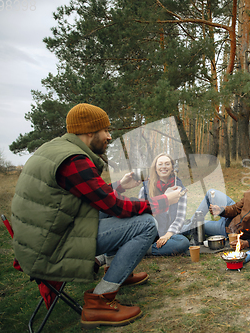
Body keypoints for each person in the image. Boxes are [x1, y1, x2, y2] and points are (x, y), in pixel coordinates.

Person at [11, 103, 182, 328]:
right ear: (90, 131)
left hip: (40, 241)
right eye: (106, 131)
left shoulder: (57, 150)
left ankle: (118, 269)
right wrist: (162, 202)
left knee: (103, 210)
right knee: (147, 224)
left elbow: (92, 195)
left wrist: (119, 185)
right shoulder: (74, 161)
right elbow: (115, 207)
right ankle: (100, 301)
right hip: (52, 248)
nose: (109, 137)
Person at [188, 167, 250, 249]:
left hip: (229, 230)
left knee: (195, 225)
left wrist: (247, 243)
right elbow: (236, 209)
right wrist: (221, 211)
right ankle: (190, 224)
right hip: (233, 218)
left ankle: (184, 227)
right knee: (211, 192)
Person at [138, 153, 190, 256]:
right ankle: (147, 248)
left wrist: (167, 235)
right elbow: (142, 218)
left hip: (171, 234)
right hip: (150, 234)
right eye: (160, 164)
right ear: (155, 168)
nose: (163, 167)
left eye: (167, 164)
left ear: (172, 168)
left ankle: (145, 250)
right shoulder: (145, 189)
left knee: (183, 242)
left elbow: (180, 218)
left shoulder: (180, 189)